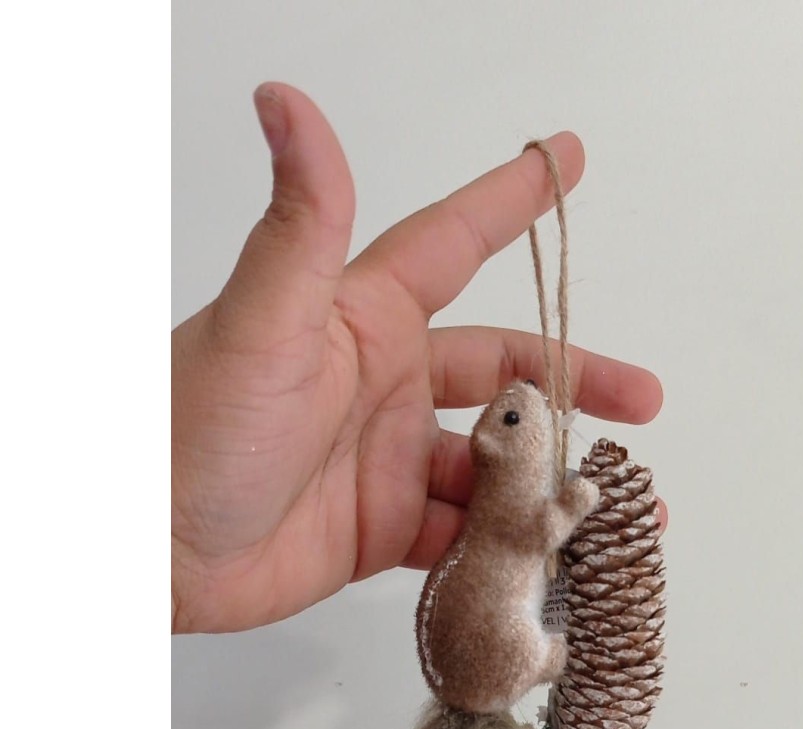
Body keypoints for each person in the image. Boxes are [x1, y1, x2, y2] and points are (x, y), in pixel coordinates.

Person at [172, 83, 664, 635]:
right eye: (511, 417)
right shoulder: (500, 506)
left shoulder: (496, 498)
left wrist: (179, 551)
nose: (530, 397)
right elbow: (536, 531)